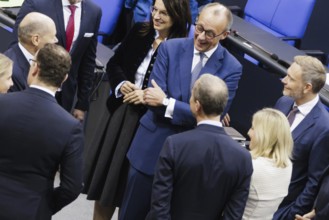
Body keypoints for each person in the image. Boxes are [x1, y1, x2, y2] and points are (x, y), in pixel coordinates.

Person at [120, 3, 242, 220]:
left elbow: (217, 115)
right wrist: (193, 114)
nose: (202, 36)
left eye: (210, 34)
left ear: (224, 35)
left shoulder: (232, 68)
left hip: (189, 165)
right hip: (150, 152)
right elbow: (150, 101)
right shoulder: (170, 48)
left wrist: (167, 103)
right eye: (199, 28)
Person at [82, 0, 192, 219]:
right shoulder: (139, 31)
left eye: (164, 13)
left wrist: (147, 96)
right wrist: (122, 85)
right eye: (155, 10)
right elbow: (115, 64)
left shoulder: (184, 50)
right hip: (120, 118)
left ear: (177, 16)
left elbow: (180, 93)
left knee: (129, 193)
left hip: (151, 126)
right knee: (107, 188)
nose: (157, 16)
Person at [147, 74, 253, 220]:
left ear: (197, 106)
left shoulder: (175, 144)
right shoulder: (243, 158)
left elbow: (159, 205)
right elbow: (234, 214)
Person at [0, 44, 84, 220]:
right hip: (31, 210)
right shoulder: (69, 126)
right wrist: (44, 206)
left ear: (35, 68)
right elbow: (72, 187)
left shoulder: (3, 103)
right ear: (64, 78)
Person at [12, 0, 102, 121]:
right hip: (27, 87)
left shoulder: (94, 12)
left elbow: (88, 59)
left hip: (64, 95)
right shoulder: (37, 3)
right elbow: (17, 44)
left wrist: (82, 103)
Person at [273, 55, 329, 220]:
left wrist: (290, 214)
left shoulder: (324, 127)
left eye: (290, 78)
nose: (284, 80)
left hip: (282, 208)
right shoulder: (283, 102)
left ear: (307, 87)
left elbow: (313, 182)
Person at [242, 108, 293, 220]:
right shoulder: (287, 165)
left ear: (264, 135)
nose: (248, 132)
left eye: (253, 128)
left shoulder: (251, 166)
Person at [4, 12, 57, 92]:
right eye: (53, 37)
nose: (56, 40)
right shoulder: (11, 73)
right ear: (36, 40)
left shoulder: (42, 58)